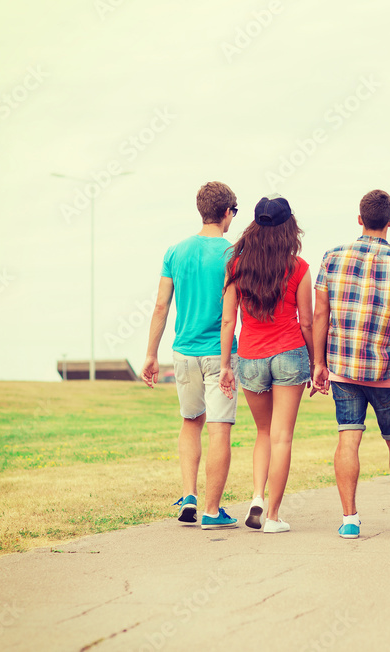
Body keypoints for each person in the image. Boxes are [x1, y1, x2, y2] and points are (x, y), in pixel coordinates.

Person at [312, 189, 390, 540]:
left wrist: (319, 362)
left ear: (360, 219)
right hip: (388, 372)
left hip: (344, 367)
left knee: (348, 439)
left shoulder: (332, 258)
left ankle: (350, 519)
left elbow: (320, 314)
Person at [141, 181, 240, 530]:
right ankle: (212, 511)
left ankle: (190, 495)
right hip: (218, 353)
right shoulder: (233, 254)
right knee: (219, 429)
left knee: (190, 422)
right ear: (227, 212)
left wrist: (151, 355)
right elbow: (231, 313)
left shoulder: (175, 252)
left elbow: (160, 306)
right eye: (234, 212)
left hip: (182, 352)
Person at [219, 194, 313, 534]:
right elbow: (307, 321)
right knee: (282, 437)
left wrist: (226, 365)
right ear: (290, 227)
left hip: (251, 356)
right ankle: (272, 516)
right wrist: (316, 362)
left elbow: (228, 321)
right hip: (289, 352)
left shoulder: (236, 266)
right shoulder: (298, 267)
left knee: (262, 432)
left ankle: (257, 496)